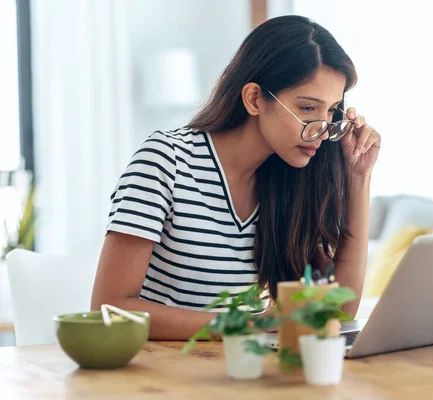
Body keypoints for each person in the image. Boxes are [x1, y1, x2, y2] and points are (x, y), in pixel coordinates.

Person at [91, 15, 381, 340]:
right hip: (156, 379)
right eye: (308, 109)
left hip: (236, 373)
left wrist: (358, 177)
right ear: (255, 98)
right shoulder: (166, 160)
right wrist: (248, 324)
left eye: (331, 111)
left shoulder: (292, 179)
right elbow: (110, 308)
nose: (321, 129)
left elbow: (336, 312)